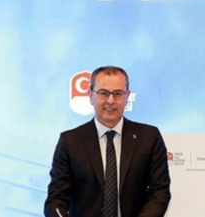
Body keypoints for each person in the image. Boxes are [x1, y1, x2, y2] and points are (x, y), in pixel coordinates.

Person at [45, 66, 171, 217]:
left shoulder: (149, 137)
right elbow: (56, 199)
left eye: (118, 94)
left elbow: (160, 192)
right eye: (103, 93)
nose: (110, 101)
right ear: (91, 96)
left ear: (127, 96)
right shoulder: (70, 141)